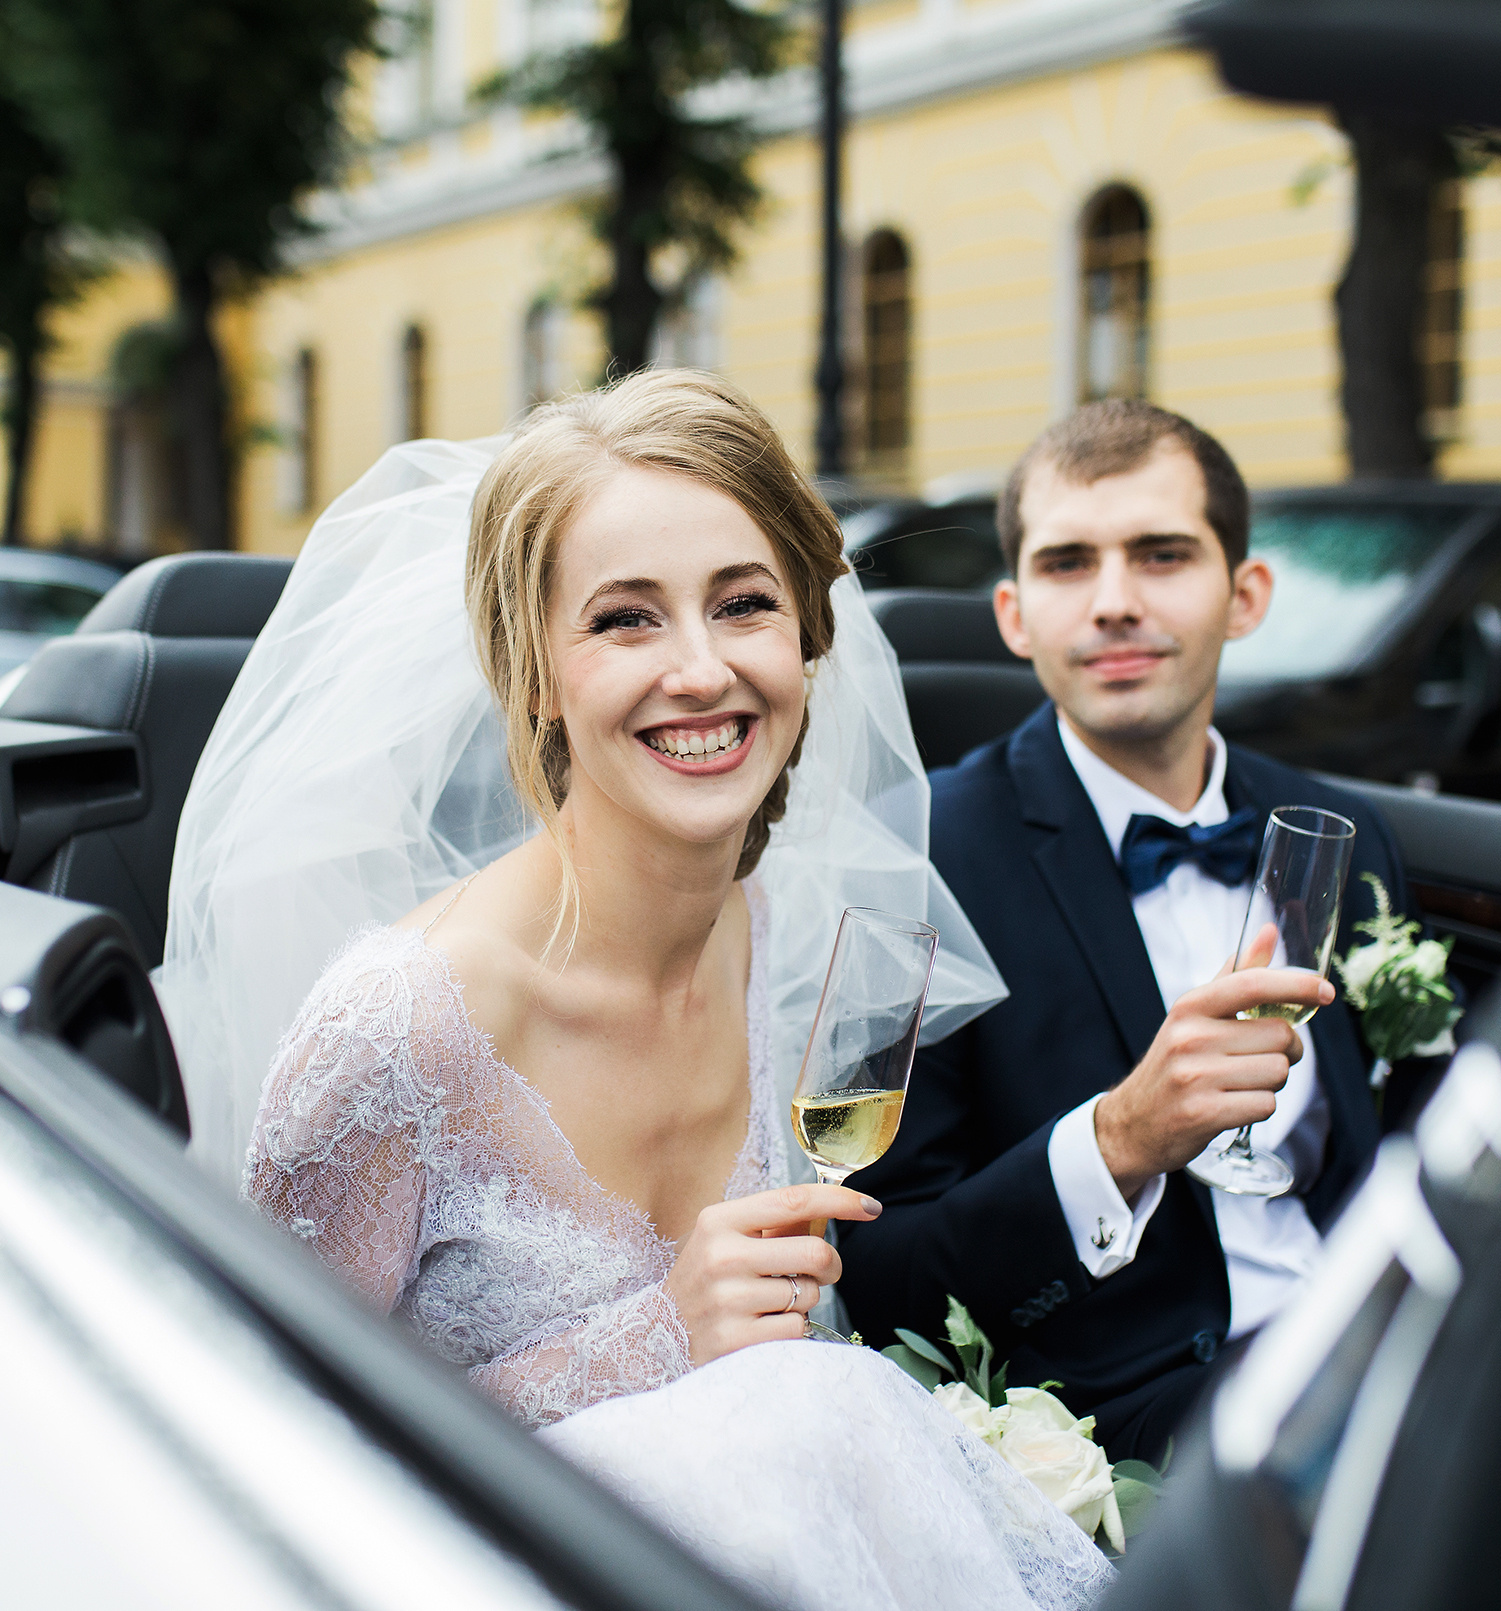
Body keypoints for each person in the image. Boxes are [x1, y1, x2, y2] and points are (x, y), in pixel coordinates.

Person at [161, 371, 1113, 1611]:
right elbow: (264, 1456)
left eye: (745, 604)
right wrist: (660, 1334)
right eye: (625, 620)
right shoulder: (399, 1030)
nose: (704, 670)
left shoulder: (782, 935)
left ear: (809, 642)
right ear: (534, 672)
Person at [838, 399, 1443, 1467]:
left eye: (1162, 555)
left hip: (1383, 1348)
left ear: (1245, 593)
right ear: (1015, 615)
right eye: (1070, 564)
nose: (1115, 603)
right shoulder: (911, 862)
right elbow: (882, 1277)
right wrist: (1118, 1141)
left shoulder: (1348, 839)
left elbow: (1408, 1145)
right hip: (1135, 1423)